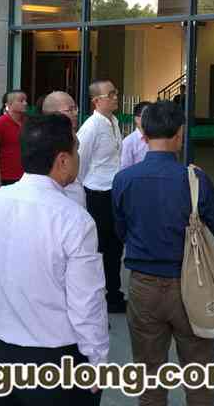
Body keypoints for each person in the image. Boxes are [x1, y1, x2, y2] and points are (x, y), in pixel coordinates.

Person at [0, 114, 107, 405]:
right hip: (54, 362)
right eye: (76, 151)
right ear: (63, 160)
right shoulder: (74, 220)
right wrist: (97, 358)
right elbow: (86, 301)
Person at [112, 100, 214, 406]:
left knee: (149, 374)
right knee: (199, 373)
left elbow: (121, 231)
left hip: (143, 286)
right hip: (191, 285)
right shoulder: (195, 179)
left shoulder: (123, 180)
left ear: (143, 135)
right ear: (180, 134)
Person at [76, 79, 125, 312]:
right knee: (100, 248)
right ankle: (99, 297)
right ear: (96, 101)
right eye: (110, 94)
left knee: (115, 246)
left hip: (114, 192)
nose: (116, 97)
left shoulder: (114, 121)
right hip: (97, 195)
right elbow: (80, 164)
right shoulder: (91, 127)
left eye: (116, 93)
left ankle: (114, 294)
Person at [41, 91, 85, 208]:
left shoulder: (72, 134)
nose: (75, 113)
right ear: (53, 114)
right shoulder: (46, 140)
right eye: (70, 110)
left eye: (76, 109)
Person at [0, 89, 27, 185]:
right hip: (7, 176)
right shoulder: (0, 123)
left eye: (25, 100)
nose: (25, 103)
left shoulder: (28, 121)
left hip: (26, 175)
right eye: (21, 101)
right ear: (9, 104)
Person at [120, 101, 151, 170]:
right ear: (137, 119)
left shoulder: (157, 138)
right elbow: (124, 169)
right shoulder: (128, 142)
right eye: (147, 116)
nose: (151, 119)